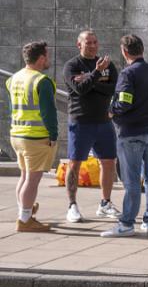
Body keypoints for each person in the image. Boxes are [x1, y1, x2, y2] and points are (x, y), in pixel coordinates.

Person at [101, 35, 148, 237]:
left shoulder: (127, 74)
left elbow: (125, 101)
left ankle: (127, 223)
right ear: (142, 50)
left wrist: (112, 110)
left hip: (130, 132)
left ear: (124, 52)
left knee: (131, 181)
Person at [62, 30, 121, 223]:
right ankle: (72, 205)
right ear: (79, 45)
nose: (93, 45)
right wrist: (95, 74)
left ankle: (105, 203)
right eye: (88, 43)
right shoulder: (72, 66)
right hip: (81, 122)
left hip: (104, 121)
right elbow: (79, 90)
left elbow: (113, 89)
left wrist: (90, 81)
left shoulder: (108, 65)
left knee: (109, 162)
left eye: (95, 42)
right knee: (75, 163)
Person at [6, 41, 58, 233]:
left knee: (25, 176)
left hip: (17, 134)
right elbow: (48, 112)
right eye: (47, 56)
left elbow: (12, 108)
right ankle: (25, 219)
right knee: (32, 179)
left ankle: (24, 212)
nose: (49, 59)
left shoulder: (14, 78)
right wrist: (53, 134)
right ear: (41, 58)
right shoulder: (41, 81)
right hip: (35, 137)